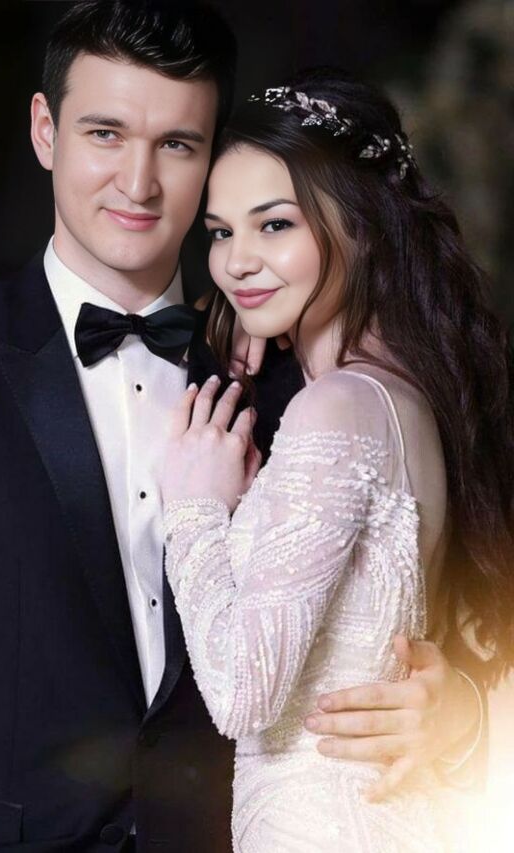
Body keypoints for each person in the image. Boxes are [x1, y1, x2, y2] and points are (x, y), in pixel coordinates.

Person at [0, 2, 487, 850]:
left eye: (177, 144)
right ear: (46, 131)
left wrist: (458, 713)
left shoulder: (300, 378)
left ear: (214, 161)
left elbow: (441, 602)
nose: (138, 182)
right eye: (105, 133)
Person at [161, 69, 514, 851]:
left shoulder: (340, 406)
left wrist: (192, 508)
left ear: (364, 223)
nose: (237, 261)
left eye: (274, 224)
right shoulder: (408, 396)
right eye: (220, 232)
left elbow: (243, 692)